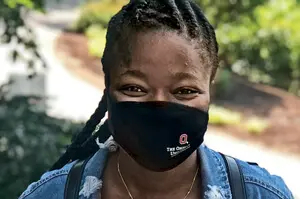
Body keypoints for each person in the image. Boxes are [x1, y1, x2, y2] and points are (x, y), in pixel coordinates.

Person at [19, 0, 293, 199]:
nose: (160, 106)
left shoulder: (260, 194)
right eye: (135, 89)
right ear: (108, 88)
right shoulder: (49, 194)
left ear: (210, 89)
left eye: (184, 91)